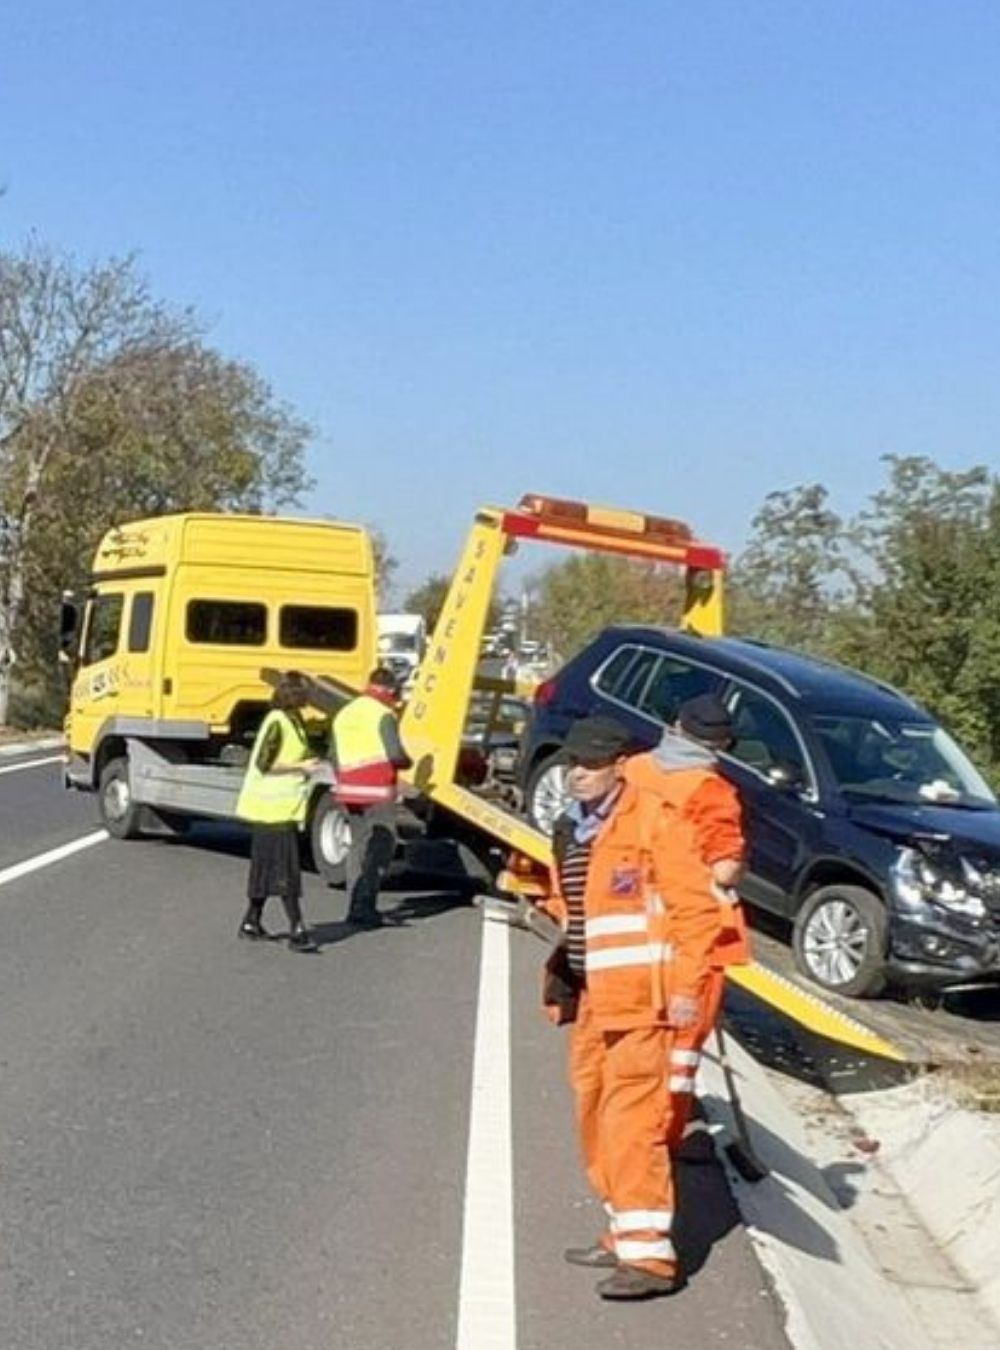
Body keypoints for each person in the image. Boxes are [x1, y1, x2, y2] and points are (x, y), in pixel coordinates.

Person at [543, 696, 746, 1301]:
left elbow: (697, 910)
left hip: (645, 1004)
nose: (578, 771)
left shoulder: (654, 820)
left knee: (633, 1124)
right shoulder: (583, 827)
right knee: (597, 1116)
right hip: (595, 998)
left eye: (591, 762)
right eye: (572, 761)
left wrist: (685, 990)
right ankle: (624, 1231)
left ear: (620, 766)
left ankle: (651, 1258)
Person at [236, 671, 320, 952]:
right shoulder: (277, 722)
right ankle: (297, 929)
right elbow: (263, 764)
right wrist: (301, 767)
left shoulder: (292, 720)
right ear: (295, 695)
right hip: (272, 806)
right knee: (286, 868)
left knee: (264, 866)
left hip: (279, 806)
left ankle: (252, 920)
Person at [331, 666, 412, 928]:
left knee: (357, 846)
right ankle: (365, 907)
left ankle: (354, 905)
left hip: (348, 789)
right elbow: (395, 754)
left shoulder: (345, 712)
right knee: (380, 848)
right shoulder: (383, 714)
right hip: (376, 791)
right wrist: (408, 763)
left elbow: (333, 755)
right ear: (389, 689)